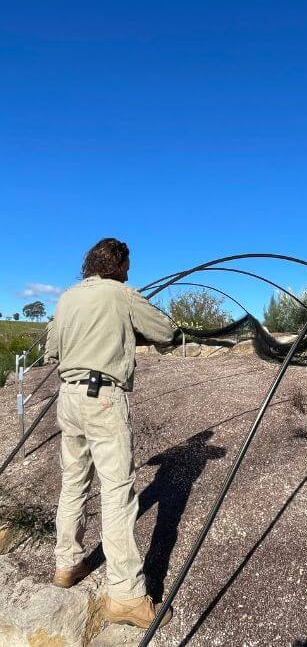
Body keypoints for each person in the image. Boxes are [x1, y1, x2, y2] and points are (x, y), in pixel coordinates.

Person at [44, 238, 177, 630]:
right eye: (128, 266)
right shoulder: (123, 293)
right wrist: (127, 331)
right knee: (118, 493)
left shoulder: (67, 298)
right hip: (102, 398)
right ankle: (127, 596)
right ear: (118, 264)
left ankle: (66, 565)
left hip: (67, 397)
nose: (129, 273)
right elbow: (165, 330)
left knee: (73, 482)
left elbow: (52, 350)